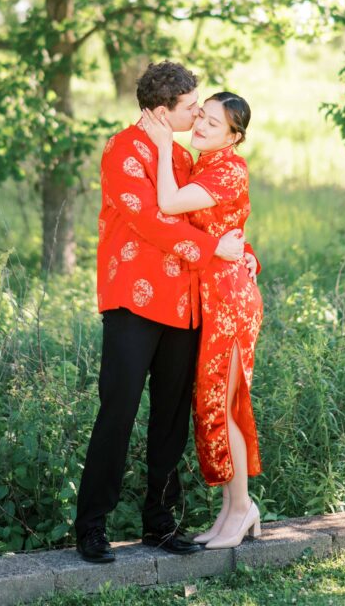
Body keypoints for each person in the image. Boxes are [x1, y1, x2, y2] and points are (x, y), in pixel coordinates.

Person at [74, 62, 249, 564]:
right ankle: (91, 526)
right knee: (119, 411)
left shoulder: (183, 152)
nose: (198, 114)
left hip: (185, 303)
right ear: (158, 111)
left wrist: (241, 251)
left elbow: (209, 208)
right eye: (191, 107)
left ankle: (160, 521)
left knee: (169, 417)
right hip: (133, 300)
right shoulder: (123, 149)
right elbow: (149, 220)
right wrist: (216, 249)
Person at [141, 91, 264, 549]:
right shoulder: (206, 166)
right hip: (209, 299)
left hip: (230, 302)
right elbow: (223, 229)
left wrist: (160, 143)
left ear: (235, 137)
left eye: (214, 124)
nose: (201, 126)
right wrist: (247, 250)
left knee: (228, 406)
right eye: (201, 117)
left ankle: (241, 508)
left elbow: (169, 205)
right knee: (212, 406)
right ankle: (232, 509)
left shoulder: (229, 169)